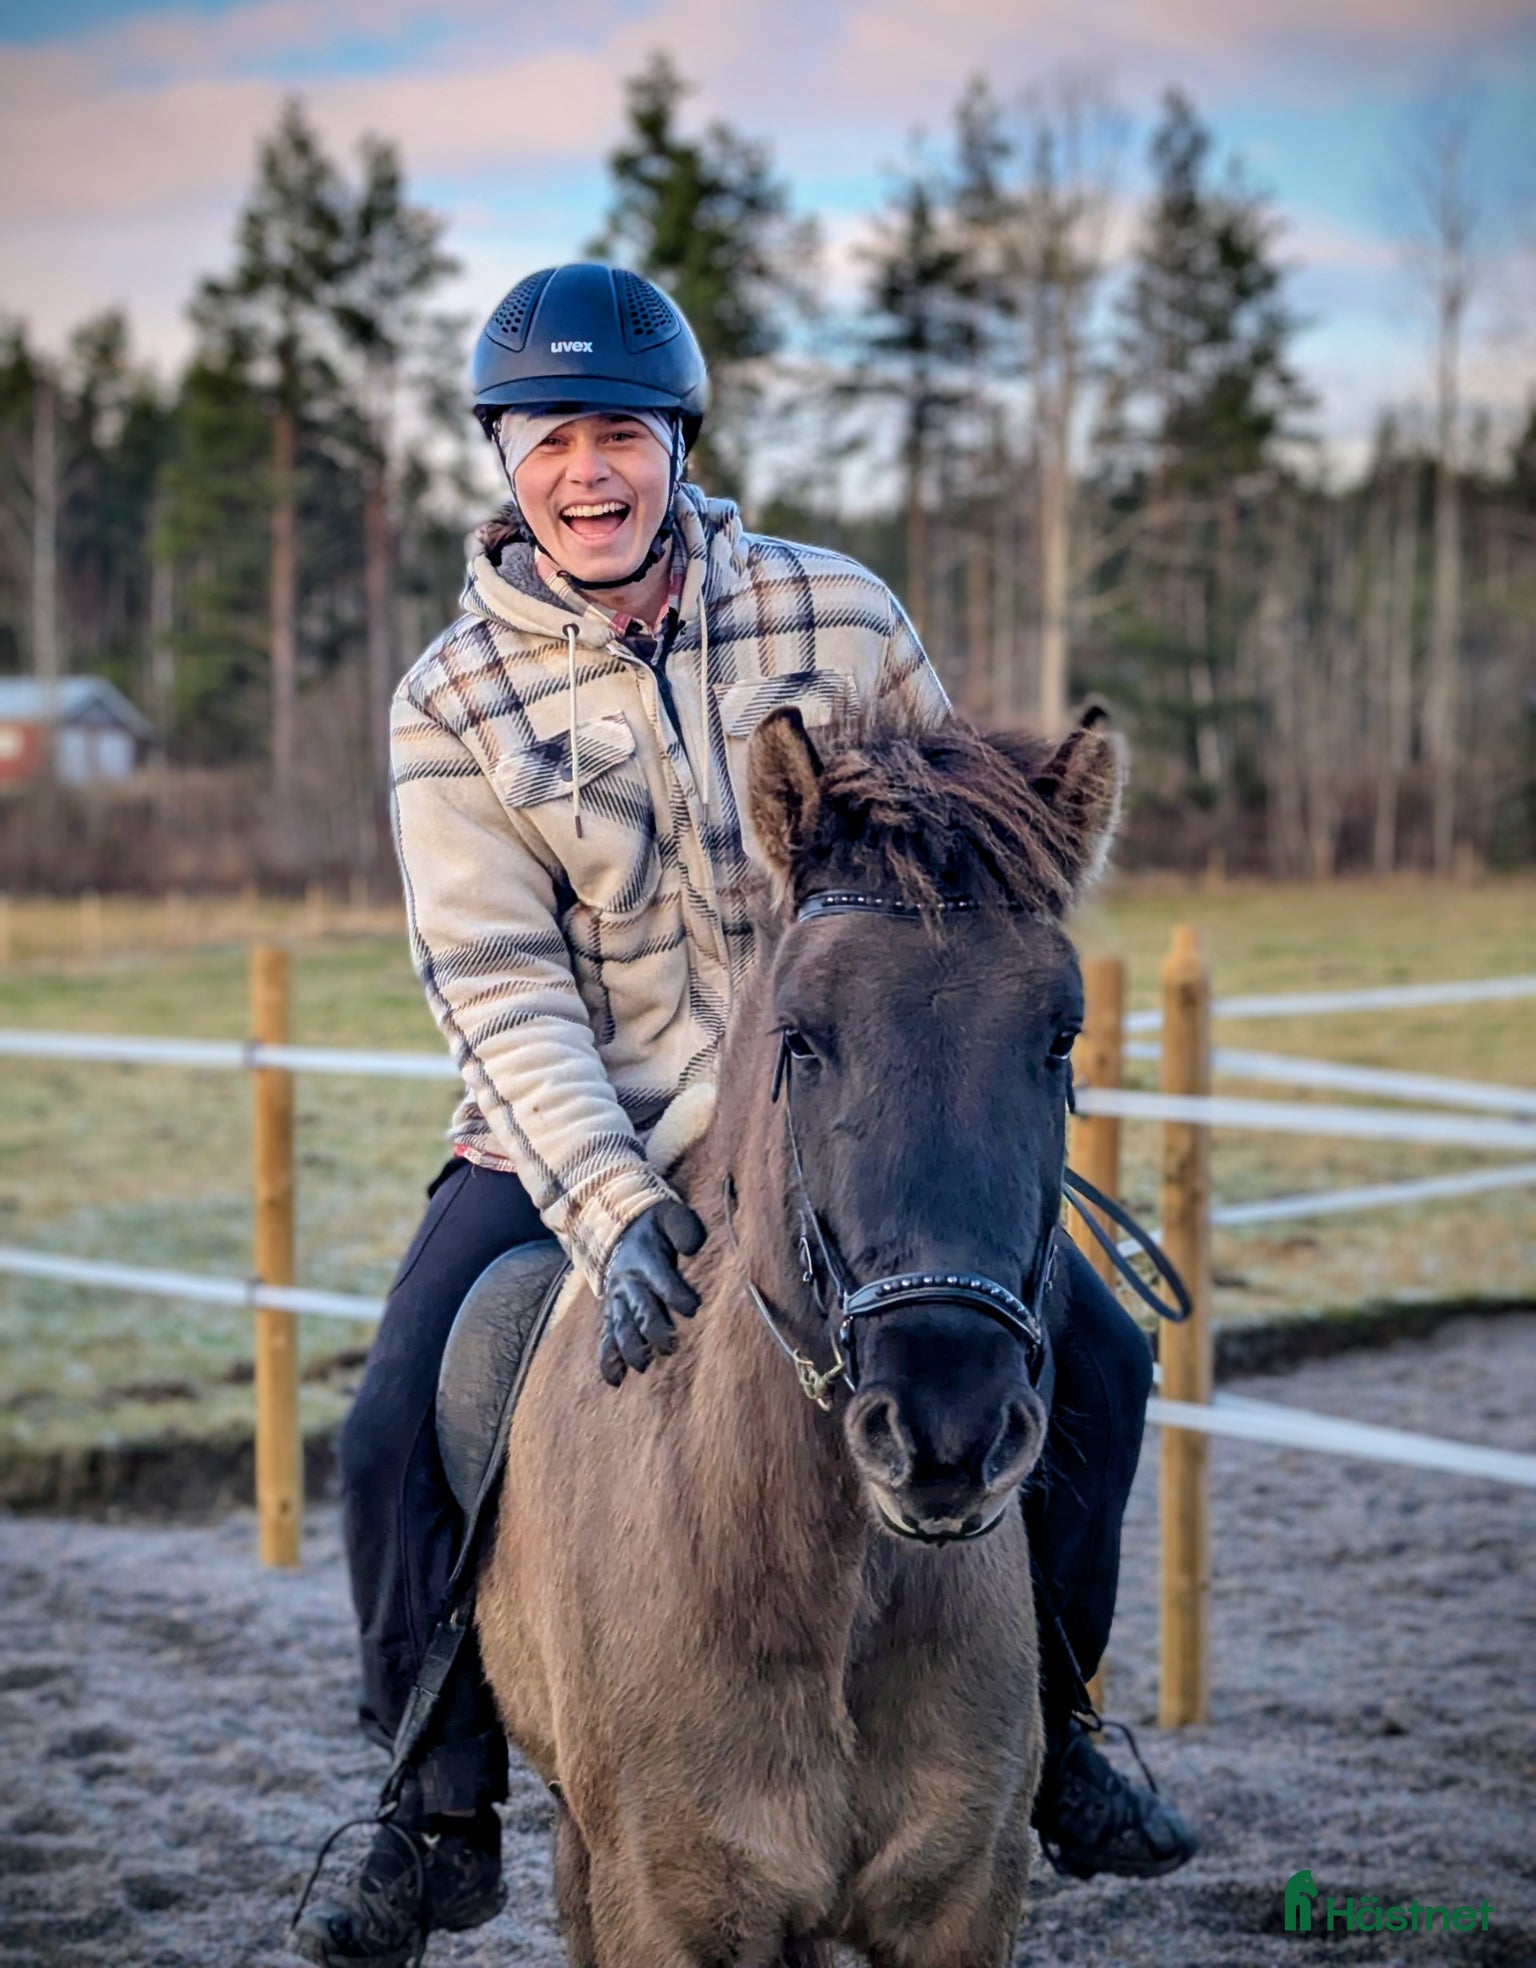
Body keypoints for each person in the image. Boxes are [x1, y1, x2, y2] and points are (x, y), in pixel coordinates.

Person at [293, 261, 1195, 1968]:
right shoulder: (452, 705)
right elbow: (498, 984)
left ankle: (1061, 1735)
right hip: (583, 1129)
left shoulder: (838, 615)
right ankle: (434, 1809)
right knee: (403, 1404)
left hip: (854, 1108)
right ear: (503, 457)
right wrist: (618, 1206)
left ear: (673, 444)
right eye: (552, 436)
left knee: (1105, 1354)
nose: (588, 470)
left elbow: (968, 862)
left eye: (619, 433)